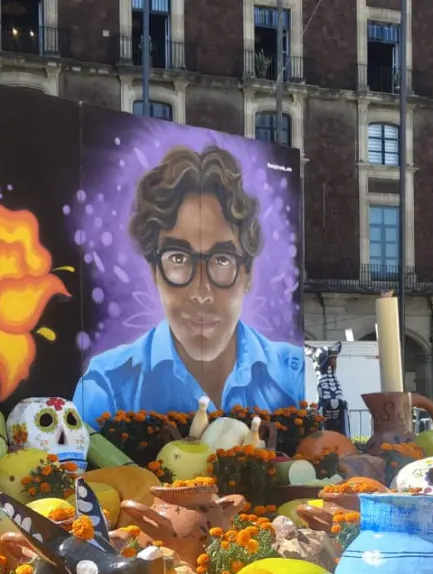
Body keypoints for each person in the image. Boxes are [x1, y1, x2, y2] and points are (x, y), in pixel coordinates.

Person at [73, 146, 303, 425]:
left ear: (248, 273)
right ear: (154, 272)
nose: (201, 293)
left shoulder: (293, 375)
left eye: (221, 259)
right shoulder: (105, 388)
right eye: (179, 258)